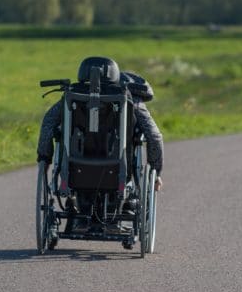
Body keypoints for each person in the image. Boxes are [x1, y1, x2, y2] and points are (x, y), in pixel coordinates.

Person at [37, 57, 164, 192]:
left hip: (74, 170)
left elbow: (47, 125)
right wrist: (156, 173)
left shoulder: (71, 96)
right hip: (117, 172)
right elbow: (154, 136)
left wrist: (44, 160)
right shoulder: (129, 99)